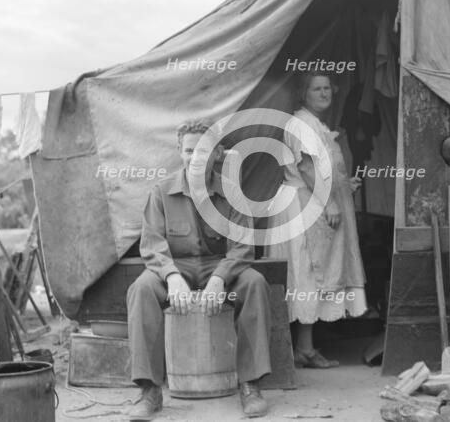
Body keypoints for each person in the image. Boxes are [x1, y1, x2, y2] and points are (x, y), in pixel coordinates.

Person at [126, 119, 272, 420]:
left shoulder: (232, 192)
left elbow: (244, 246)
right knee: (141, 289)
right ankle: (149, 390)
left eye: (203, 151)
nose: (195, 158)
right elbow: (151, 245)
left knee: (254, 283)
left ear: (217, 153)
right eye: (189, 151)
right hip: (175, 267)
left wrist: (221, 277)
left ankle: (250, 384)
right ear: (180, 152)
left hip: (219, 267)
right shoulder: (161, 192)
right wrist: (172, 276)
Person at [267, 72, 367, 368]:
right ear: (304, 93)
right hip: (306, 207)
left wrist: (342, 186)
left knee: (316, 270)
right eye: (317, 89)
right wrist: (330, 202)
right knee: (309, 272)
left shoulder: (316, 124)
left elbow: (322, 171)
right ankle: (304, 349)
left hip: (314, 202)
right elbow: (308, 170)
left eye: (327, 89)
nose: (324, 94)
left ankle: (305, 347)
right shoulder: (300, 124)